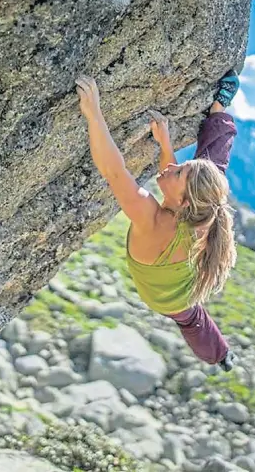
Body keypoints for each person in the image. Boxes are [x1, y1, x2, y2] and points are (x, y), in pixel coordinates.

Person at [76, 69, 240, 371]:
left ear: (183, 203)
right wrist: (165, 145)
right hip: (184, 272)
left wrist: (94, 114)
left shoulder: (153, 220)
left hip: (168, 299)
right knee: (210, 175)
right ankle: (219, 114)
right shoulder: (205, 213)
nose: (170, 168)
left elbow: (114, 171)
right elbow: (181, 189)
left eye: (177, 171)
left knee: (193, 320)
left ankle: (220, 356)